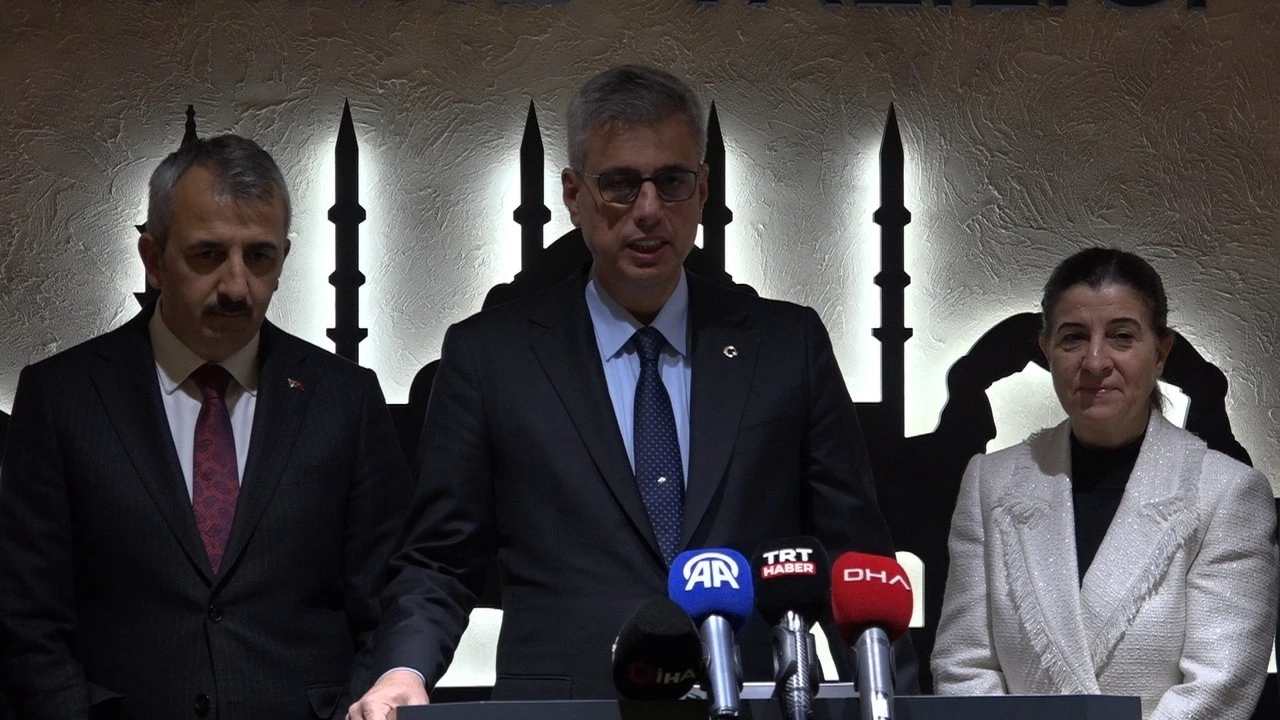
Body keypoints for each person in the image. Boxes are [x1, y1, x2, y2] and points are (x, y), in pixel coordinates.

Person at [348, 64, 912, 717]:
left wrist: (899, 701)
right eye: (619, 184)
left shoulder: (787, 347)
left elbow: (856, 561)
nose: (648, 211)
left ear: (703, 190)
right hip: (567, 709)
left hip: (749, 701)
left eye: (671, 182)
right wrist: (403, 668)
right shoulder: (490, 357)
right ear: (573, 195)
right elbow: (441, 560)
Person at [0, 135, 412, 720]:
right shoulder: (63, 397)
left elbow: (389, 600)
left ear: (284, 259)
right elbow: (27, 615)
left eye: (259, 257)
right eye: (208, 254)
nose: (236, 287)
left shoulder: (344, 398)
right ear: (153, 258)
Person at [931, 247, 1279, 719]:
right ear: (1047, 351)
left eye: (1121, 336)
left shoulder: (1226, 493)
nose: (1095, 361)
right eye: (1073, 338)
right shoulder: (989, 484)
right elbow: (962, 666)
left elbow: (1218, 688)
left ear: (1161, 353)